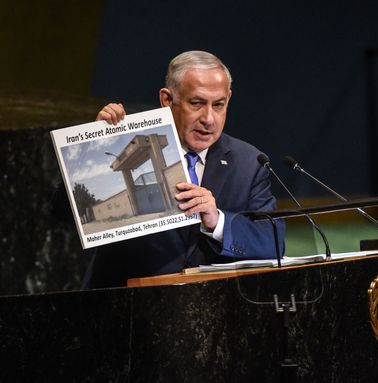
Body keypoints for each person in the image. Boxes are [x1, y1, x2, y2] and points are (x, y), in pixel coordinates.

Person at [84, 50, 285, 288]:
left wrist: (217, 222)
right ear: (168, 100)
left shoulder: (250, 162)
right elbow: (64, 214)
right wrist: (92, 145)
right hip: (127, 308)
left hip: (210, 311)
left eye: (218, 105)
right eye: (197, 103)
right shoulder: (122, 142)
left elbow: (272, 243)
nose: (209, 118)